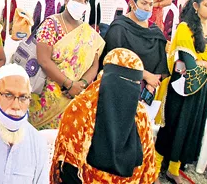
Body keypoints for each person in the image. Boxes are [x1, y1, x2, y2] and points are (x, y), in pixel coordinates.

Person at [155, 0, 207, 183]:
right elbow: (190, 68)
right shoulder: (184, 29)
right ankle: (154, 167)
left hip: (202, 91)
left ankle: (173, 169)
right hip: (181, 89)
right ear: (196, 6)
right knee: (172, 127)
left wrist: (203, 63)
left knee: (189, 130)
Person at [51, 48, 159, 183]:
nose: (131, 91)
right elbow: (67, 169)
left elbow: (147, 167)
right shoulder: (81, 110)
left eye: (136, 85)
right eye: (127, 84)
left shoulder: (139, 114)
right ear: (109, 80)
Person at [30, 0, 105, 130]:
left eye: (86, 1)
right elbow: (44, 60)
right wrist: (68, 84)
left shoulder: (87, 32)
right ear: (66, 0)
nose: (82, 3)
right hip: (48, 92)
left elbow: (94, 65)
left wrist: (80, 85)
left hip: (75, 94)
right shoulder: (51, 24)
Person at [100, 0, 169, 98]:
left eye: (150, 4)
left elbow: (160, 63)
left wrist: (152, 83)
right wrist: (145, 75)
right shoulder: (119, 28)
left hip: (147, 91)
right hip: (119, 88)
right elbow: (112, 63)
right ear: (132, 3)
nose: (147, 8)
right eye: (144, 3)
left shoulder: (154, 31)